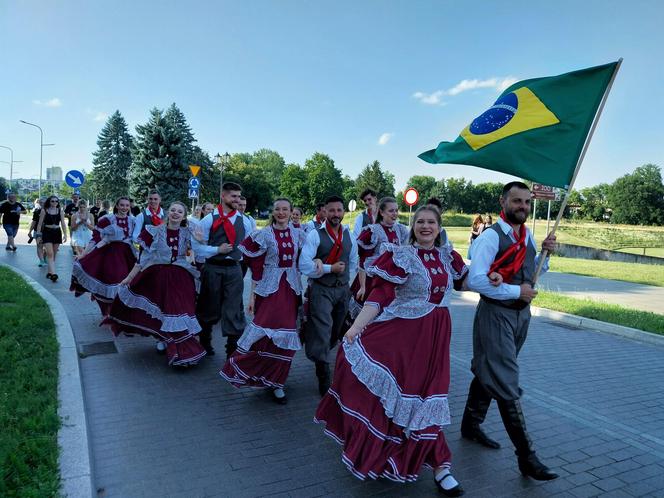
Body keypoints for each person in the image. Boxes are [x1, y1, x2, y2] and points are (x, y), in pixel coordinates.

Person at [315, 205, 501, 494]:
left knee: (429, 400)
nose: (425, 226)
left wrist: (492, 276)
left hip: (435, 340)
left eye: (431, 222)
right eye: (420, 222)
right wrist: (355, 328)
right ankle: (427, 463)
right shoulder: (401, 256)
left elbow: (465, 282)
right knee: (401, 398)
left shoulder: (447, 255)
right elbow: (380, 296)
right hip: (401, 339)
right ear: (413, 226)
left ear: (439, 228)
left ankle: (442, 468)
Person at [462, 181, 558, 481]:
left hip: (520, 317)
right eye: (517, 201)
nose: (523, 207)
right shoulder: (490, 237)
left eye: (527, 203)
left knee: (491, 370)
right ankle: (526, 457)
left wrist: (546, 254)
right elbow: (475, 280)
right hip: (496, 316)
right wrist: (516, 291)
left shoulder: (526, 235)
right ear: (503, 202)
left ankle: (470, 424)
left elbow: (533, 272)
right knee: (505, 380)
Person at [221, 198, 304, 404]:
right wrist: (252, 295)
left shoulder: (300, 234)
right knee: (263, 332)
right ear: (273, 212)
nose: (282, 212)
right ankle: (245, 368)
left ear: (291, 211)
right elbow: (255, 266)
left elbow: (306, 260)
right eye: (278, 209)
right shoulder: (264, 234)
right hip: (270, 291)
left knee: (285, 337)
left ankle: (277, 382)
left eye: (285, 209)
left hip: (291, 290)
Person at [103, 202, 206, 367]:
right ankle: (165, 340)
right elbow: (142, 259)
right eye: (173, 210)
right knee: (164, 311)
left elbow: (199, 254)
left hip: (181, 278)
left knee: (179, 311)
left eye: (180, 211)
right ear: (168, 213)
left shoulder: (188, 233)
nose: (175, 213)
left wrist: (200, 242)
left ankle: (180, 349)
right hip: (158, 277)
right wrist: (129, 278)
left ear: (184, 215)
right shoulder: (154, 231)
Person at [299, 195, 358, 396]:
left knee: (335, 331)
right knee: (323, 329)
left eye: (339, 210)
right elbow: (304, 264)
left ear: (343, 212)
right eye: (331, 210)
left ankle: (321, 351)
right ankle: (323, 375)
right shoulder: (315, 235)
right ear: (324, 211)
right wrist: (328, 268)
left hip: (342, 290)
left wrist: (347, 284)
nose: (335, 214)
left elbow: (353, 261)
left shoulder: (349, 235)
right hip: (321, 289)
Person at [192, 182, 253, 357]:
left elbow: (249, 245)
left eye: (239, 196)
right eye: (233, 196)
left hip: (234, 269)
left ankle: (231, 352)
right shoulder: (208, 219)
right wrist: (216, 250)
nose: (237, 199)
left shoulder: (245, 221)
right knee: (208, 307)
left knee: (234, 308)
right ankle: (205, 343)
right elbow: (196, 247)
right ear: (223, 196)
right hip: (212, 267)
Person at [71, 197, 137, 316]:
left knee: (125, 283)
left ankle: (117, 313)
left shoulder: (133, 220)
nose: (125, 208)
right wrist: (84, 254)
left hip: (126, 254)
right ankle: (107, 311)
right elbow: (95, 238)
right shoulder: (106, 219)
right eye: (122, 205)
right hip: (108, 253)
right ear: (116, 206)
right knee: (109, 280)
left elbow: (136, 238)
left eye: (127, 205)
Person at [348, 196, 409, 320]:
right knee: (364, 321)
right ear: (381, 212)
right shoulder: (372, 231)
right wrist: (363, 286)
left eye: (396, 210)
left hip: (391, 284)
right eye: (391, 211)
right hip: (371, 283)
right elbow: (363, 261)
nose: (395, 214)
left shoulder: (401, 230)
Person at [36, 195, 67, 282]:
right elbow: (39, 224)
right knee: (50, 253)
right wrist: (38, 235)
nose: (54, 203)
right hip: (47, 232)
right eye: (52, 201)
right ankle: (53, 274)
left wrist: (65, 234)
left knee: (54, 254)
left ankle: (49, 272)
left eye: (56, 201)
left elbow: (63, 224)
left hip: (57, 232)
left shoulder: (60, 211)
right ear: (49, 202)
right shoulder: (44, 210)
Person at [27, 197, 47, 266]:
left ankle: (45, 258)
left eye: (44, 202)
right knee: (39, 246)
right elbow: (34, 222)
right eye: (40, 202)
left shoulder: (51, 211)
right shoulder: (37, 211)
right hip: (38, 231)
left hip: (48, 231)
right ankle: (41, 261)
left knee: (47, 247)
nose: (42, 204)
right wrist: (30, 231)